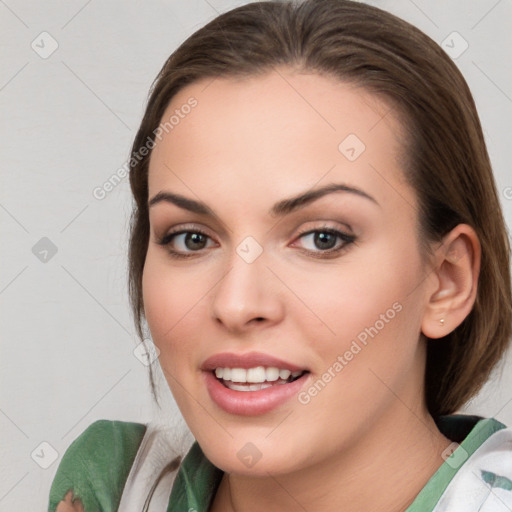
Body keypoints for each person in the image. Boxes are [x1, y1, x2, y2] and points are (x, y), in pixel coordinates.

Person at [47, 0, 512, 511]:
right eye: (192, 238)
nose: (237, 303)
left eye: (322, 238)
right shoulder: (112, 493)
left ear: (447, 281)